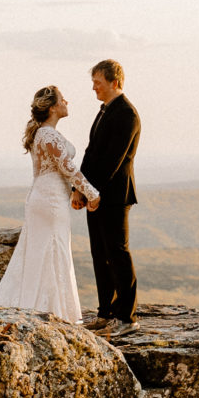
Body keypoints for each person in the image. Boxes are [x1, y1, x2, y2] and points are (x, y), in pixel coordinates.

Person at [0, 84, 99, 323]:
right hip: (50, 200)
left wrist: (76, 193)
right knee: (53, 250)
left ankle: (48, 308)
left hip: (48, 196)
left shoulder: (44, 133)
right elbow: (67, 168)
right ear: (54, 107)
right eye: (63, 99)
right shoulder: (48, 135)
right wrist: (91, 193)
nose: (67, 102)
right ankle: (54, 312)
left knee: (47, 251)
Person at [79, 59, 142, 333]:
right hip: (95, 194)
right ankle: (105, 312)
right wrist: (79, 188)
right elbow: (90, 153)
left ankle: (127, 318)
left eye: (98, 82)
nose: (94, 88)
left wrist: (93, 193)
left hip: (114, 196)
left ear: (114, 82)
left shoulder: (126, 114)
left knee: (117, 253)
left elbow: (112, 161)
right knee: (99, 254)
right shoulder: (104, 111)